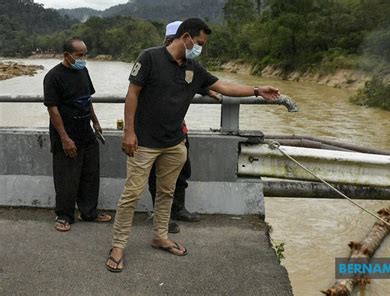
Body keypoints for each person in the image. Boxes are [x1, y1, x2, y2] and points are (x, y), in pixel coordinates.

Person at [106, 18, 280, 272]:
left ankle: (160, 236)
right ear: (185, 37)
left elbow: (224, 86)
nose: (200, 48)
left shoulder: (193, 68)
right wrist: (129, 132)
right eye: (199, 43)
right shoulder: (150, 58)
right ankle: (118, 245)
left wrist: (256, 90)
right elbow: (132, 94)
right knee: (131, 194)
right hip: (144, 143)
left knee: (167, 193)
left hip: (174, 143)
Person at [148, 20, 217, 234]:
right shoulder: (154, 59)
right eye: (170, 41)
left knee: (182, 171)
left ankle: (178, 209)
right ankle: (161, 216)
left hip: (178, 130)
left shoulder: (187, 64)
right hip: (154, 133)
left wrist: (205, 90)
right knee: (157, 176)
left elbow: (191, 80)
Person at [43, 37, 112, 232]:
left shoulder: (83, 71)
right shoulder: (53, 77)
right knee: (67, 177)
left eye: (85, 54)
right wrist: (65, 138)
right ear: (67, 55)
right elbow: (52, 109)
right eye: (79, 55)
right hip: (66, 134)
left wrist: (96, 122)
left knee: (90, 173)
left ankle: (89, 212)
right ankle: (64, 215)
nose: (83, 59)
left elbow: (87, 99)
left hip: (86, 132)